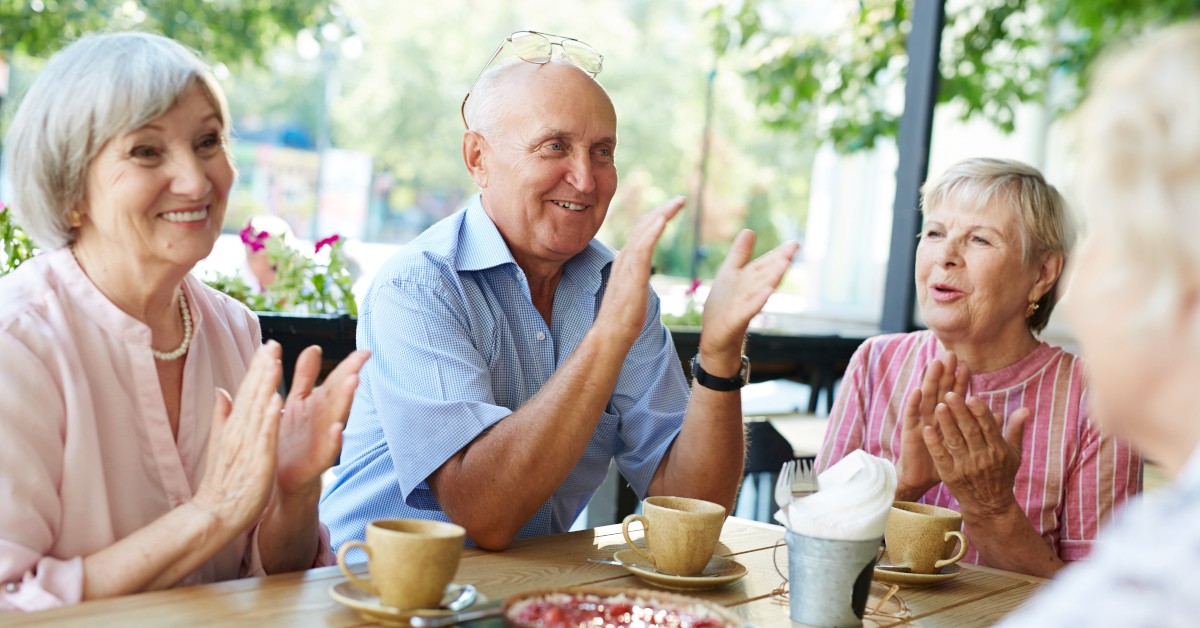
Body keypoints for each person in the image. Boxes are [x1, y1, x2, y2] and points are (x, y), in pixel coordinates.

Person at [319, 31, 799, 551]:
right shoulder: (418, 284)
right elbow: (482, 513)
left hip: (524, 590)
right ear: (478, 158)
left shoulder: (613, 288)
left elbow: (692, 504)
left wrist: (720, 356)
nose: (586, 180)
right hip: (366, 590)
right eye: (555, 146)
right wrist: (609, 336)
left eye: (602, 152)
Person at [0, 32, 369, 612]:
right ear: (71, 190)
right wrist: (211, 512)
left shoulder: (235, 330)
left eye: (207, 142)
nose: (197, 182)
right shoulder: (16, 344)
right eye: (146, 151)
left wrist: (294, 496)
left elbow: (270, 575)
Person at [816, 157, 1141, 577]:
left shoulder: (1098, 396)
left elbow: (1105, 601)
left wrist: (992, 508)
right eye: (934, 232)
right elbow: (814, 545)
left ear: (1043, 273)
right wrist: (904, 485)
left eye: (979, 240)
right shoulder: (877, 362)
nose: (945, 255)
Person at [999, 22, 1200, 624]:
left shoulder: (1157, 588)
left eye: (1103, 238)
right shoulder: (1164, 531)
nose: (1078, 295)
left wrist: (992, 510)